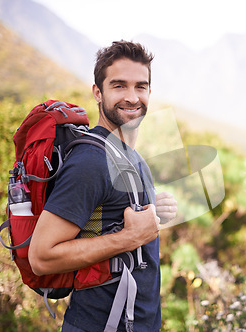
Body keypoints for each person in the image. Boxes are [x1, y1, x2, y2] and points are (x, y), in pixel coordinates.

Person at [28, 41, 177, 331]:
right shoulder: (91, 163)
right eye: (119, 86)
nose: (132, 97)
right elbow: (41, 257)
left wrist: (154, 207)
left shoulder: (133, 158)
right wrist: (129, 237)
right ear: (98, 92)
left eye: (141, 87)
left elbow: (107, 215)